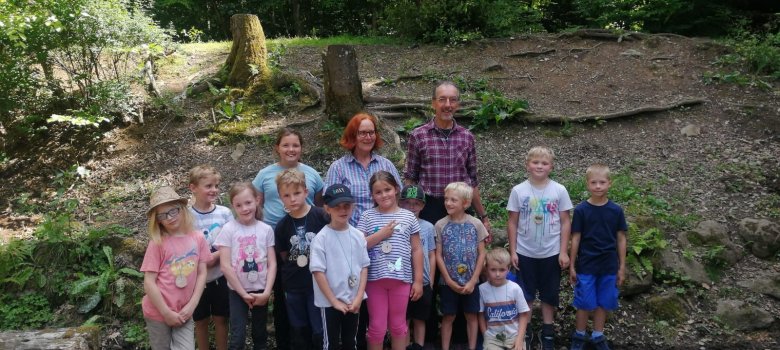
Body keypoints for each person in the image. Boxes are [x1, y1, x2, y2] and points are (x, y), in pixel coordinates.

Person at [252, 127, 324, 350]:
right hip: (277, 240)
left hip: (310, 241)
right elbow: (256, 205)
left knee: (313, 293)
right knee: (285, 295)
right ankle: (286, 341)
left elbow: (319, 204)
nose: (291, 149)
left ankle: (318, 338)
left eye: (295, 145)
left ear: (301, 148)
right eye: (286, 145)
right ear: (277, 148)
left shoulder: (311, 174)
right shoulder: (265, 174)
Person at [506, 146, 573, 350]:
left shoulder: (559, 190)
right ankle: (524, 330)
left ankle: (547, 330)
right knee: (525, 294)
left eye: (544, 163)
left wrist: (563, 251)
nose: (539, 166)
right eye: (535, 162)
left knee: (549, 294)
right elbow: (512, 222)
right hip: (525, 252)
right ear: (528, 165)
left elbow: (565, 222)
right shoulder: (519, 190)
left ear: (551, 167)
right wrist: (513, 251)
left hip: (551, 253)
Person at [404, 81, 490, 231]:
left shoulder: (467, 137)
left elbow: (472, 182)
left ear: (458, 104)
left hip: (461, 209)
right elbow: (411, 178)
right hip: (429, 208)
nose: (447, 104)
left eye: (453, 100)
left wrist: (483, 216)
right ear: (433, 103)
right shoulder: (418, 136)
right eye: (442, 99)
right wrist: (408, 212)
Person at [357, 171, 423, 350]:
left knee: (398, 326)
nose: (384, 194)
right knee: (377, 327)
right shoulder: (367, 216)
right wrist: (381, 234)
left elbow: (416, 249)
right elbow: (359, 245)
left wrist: (418, 281)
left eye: (387, 189)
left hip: (401, 280)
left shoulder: (408, 216)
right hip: (374, 280)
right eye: (378, 192)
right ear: (372, 195)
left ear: (396, 189)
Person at [141, 186, 210, 350]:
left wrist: (192, 305)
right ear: (157, 220)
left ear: (182, 209)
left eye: (173, 211)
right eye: (163, 215)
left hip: (185, 311)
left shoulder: (198, 238)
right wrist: (165, 312)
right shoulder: (157, 243)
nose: (170, 217)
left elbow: (202, 273)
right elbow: (149, 282)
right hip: (158, 312)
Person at [568, 164, 628, 350]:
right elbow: (575, 239)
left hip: (609, 265)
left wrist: (621, 266)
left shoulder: (616, 211)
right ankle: (579, 335)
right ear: (587, 184)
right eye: (594, 182)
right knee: (584, 302)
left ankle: (598, 334)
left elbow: (621, 239)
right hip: (586, 264)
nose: (598, 186)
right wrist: (572, 265)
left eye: (602, 182)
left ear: (609, 183)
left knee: (604, 301)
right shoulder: (581, 210)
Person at [215, 182, 277, 350]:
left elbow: (272, 263)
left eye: (248, 203)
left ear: (257, 200)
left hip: (261, 291)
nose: (244, 208)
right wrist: (242, 294)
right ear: (233, 207)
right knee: (238, 335)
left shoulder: (266, 230)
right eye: (239, 205)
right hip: (237, 292)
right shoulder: (229, 229)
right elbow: (225, 266)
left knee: (260, 333)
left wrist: (266, 292)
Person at [310, 184, 371, 350]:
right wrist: (334, 301)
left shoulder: (358, 235)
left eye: (346, 206)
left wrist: (359, 297)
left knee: (351, 341)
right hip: (330, 303)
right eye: (337, 207)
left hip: (353, 301)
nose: (342, 210)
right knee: (331, 343)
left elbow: (364, 267)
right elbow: (318, 272)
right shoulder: (321, 238)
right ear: (327, 209)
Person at [274, 169, 330, 349]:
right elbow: (284, 256)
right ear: (280, 197)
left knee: (319, 329)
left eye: (297, 193)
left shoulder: (321, 216)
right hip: (293, 285)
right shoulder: (282, 226)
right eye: (287, 195)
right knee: (298, 329)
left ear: (306, 192)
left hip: (318, 285)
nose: (293, 199)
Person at [435, 182, 488, 350]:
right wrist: (448, 281)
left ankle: (472, 347)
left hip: (471, 281)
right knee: (448, 316)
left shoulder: (476, 224)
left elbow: (482, 254)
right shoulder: (440, 225)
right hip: (447, 282)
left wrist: (473, 281)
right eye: (446, 199)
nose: (448, 203)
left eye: (453, 200)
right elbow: (438, 254)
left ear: (465, 203)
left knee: (471, 316)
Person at [325, 112, 402, 226]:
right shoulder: (338, 168)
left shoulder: (386, 165)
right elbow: (329, 203)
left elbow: (399, 196)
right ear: (352, 136)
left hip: (386, 231)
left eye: (371, 132)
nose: (368, 137)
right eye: (363, 133)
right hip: (351, 233)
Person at [188, 165, 233, 350]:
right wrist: (203, 260)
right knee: (200, 321)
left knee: (221, 319)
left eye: (216, 185)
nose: (214, 190)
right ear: (193, 188)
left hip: (220, 277)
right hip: (195, 279)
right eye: (208, 186)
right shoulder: (186, 216)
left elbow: (232, 243)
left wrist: (213, 256)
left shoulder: (224, 213)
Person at [399, 184, 436, 350]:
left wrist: (432, 280)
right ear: (400, 203)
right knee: (404, 318)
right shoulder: (396, 224)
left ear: (422, 205)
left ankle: (419, 346)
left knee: (420, 318)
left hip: (424, 281)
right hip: (402, 280)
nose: (411, 207)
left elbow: (431, 255)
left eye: (416, 203)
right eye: (407, 202)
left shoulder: (428, 227)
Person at [479, 248, 531, 350]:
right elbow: (480, 315)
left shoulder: (515, 288)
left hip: (514, 335)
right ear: (486, 268)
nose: (497, 274)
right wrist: (485, 335)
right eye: (493, 269)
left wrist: (520, 339)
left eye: (502, 270)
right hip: (492, 338)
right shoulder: (482, 289)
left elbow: (524, 315)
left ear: (508, 268)